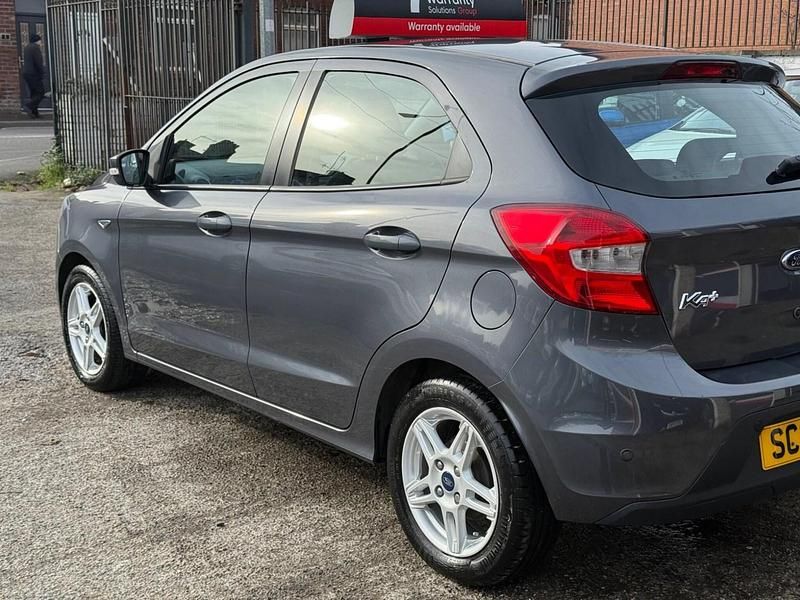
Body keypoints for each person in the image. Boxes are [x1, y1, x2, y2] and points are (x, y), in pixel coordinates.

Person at [22, 33, 45, 118]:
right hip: (34, 74)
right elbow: (38, 62)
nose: (40, 42)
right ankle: (28, 106)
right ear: (37, 40)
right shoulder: (35, 48)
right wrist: (42, 72)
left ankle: (34, 112)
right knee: (40, 93)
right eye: (40, 40)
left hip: (27, 73)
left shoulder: (27, 47)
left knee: (34, 93)